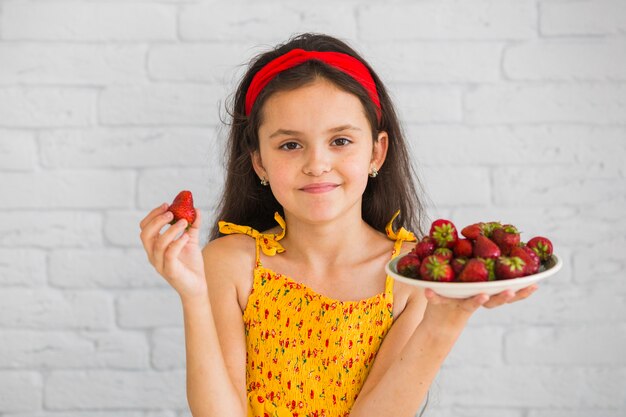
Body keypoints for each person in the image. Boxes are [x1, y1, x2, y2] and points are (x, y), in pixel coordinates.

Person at [139, 32, 537, 417]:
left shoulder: (408, 272)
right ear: (259, 161)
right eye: (290, 145)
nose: (316, 164)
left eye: (341, 141)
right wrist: (193, 295)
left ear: (376, 152)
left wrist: (448, 317)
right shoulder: (231, 263)